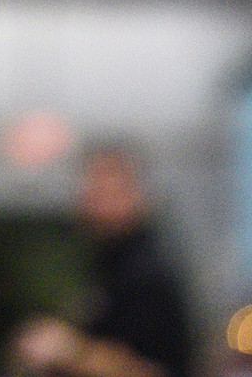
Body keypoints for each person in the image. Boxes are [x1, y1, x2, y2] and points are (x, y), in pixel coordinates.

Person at [12, 144, 193, 377]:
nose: (100, 203)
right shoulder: (102, 262)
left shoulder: (150, 272)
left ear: (139, 195)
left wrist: (69, 351)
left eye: (113, 191)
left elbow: (156, 368)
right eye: (95, 189)